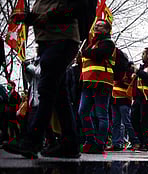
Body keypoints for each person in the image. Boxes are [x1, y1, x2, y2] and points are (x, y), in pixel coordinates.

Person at [4, 0, 95, 159]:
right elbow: (43, 15)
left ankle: (33, 140)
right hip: (49, 41)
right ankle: (70, 143)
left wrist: (49, 17)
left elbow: (74, 6)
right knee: (60, 95)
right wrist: (26, 17)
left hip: (62, 40)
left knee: (47, 89)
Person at [78, 19, 115, 154]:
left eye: (100, 25)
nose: (96, 27)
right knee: (82, 112)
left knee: (101, 115)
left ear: (106, 30)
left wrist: (84, 52)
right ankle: (90, 140)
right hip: (88, 83)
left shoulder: (108, 43)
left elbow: (98, 55)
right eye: (96, 25)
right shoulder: (91, 44)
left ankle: (100, 143)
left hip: (102, 83)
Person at [108, 58, 139, 151]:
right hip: (115, 99)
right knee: (116, 123)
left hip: (124, 100)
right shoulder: (117, 70)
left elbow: (128, 82)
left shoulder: (130, 72)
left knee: (126, 122)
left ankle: (135, 141)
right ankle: (116, 143)